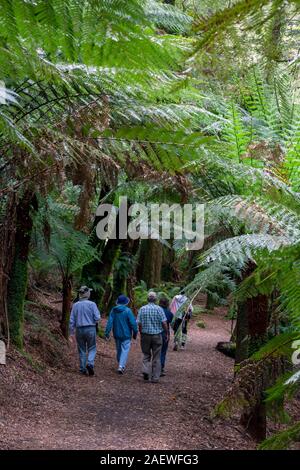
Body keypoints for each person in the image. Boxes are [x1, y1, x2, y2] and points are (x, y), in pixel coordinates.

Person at [137, 291, 169, 383]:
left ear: (147, 299)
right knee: (157, 357)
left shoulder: (142, 309)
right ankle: (155, 377)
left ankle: (146, 371)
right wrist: (166, 333)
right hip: (157, 335)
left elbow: (139, 323)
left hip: (145, 335)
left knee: (146, 354)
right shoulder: (159, 309)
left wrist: (141, 332)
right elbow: (164, 323)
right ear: (155, 300)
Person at [69, 285, 101, 376]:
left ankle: (82, 368)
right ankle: (90, 364)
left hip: (79, 330)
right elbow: (97, 317)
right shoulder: (92, 304)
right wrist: (94, 321)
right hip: (90, 328)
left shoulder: (75, 305)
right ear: (87, 293)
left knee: (81, 349)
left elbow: (71, 320)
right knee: (92, 348)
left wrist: (71, 332)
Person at [105, 294, 138, 374]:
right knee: (125, 350)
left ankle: (120, 363)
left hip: (117, 334)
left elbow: (110, 322)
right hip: (126, 335)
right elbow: (133, 323)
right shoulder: (128, 311)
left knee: (119, 350)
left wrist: (107, 333)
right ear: (126, 302)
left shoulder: (113, 310)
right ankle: (121, 366)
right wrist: (135, 332)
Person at [159, 297, 173, 376]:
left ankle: (155, 367)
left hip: (155, 333)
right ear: (167, 304)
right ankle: (161, 368)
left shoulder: (156, 310)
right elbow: (170, 321)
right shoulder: (169, 313)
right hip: (165, 333)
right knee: (163, 352)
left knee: (156, 351)